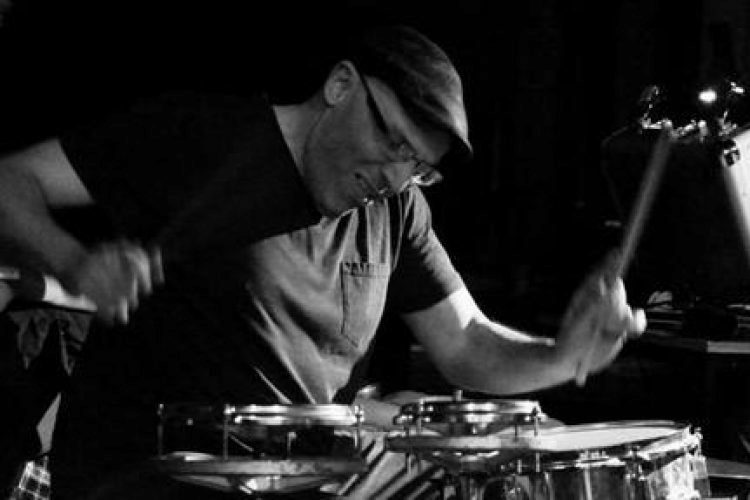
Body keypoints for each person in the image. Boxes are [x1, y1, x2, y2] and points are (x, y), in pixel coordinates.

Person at [0, 24, 646, 499]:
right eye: (392, 140)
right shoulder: (200, 137)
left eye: (418, 167)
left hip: (305, 476)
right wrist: (73, 261)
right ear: (340, 86)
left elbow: (466, 343)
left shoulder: (397, 208)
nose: (396, 175)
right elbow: (10, 181)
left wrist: (563, 355)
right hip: (152, 477)